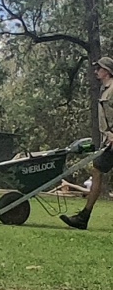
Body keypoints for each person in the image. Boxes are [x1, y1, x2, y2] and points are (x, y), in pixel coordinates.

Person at [62, 56, 113, 229]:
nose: (96, 71)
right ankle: (84, 216)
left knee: (97, 170)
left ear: (106, 71)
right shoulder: (104, 90)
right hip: (109, 141)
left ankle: (84, 216)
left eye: (98, 68)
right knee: (96, 169)